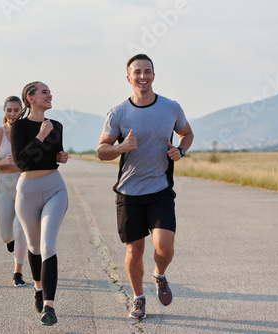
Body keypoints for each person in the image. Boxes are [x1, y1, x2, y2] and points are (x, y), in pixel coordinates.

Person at [97, 54, 194, 319]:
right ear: (128, 78)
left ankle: (159, 275)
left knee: (164, 246)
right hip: (129, 193)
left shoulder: (171, 107)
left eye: (147, 71)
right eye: (137, 72)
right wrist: (120, 148)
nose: (143, 76)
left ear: (153, 75)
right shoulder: (118, 113)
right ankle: (138, 298)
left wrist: (180, 152)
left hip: (160, 188)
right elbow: (102, 151)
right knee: (134, 250)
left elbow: (187, 134)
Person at [11, 81, 69, 326]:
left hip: (55, 188)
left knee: (47, 245)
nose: (49, 95)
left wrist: (61, 156)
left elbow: (56, 152)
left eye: (49, 92)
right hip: (27, 191)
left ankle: (49, 306)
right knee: (34, 247)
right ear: (30, 98)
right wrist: (40, 136)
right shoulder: (19, 126)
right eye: (44, 92)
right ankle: (37, 287)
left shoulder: (57, 125)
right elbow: (21, 162)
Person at [0, 95, 28, 287]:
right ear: (4, 112)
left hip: (23, 183)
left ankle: (17, 273)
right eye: (9, 110)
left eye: (16, 110)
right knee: (6, 234)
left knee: (20, 229)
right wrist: (3, 162)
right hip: (4, 184)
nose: (12, 114)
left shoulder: (28, 131)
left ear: (22, 111)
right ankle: (9, 240)